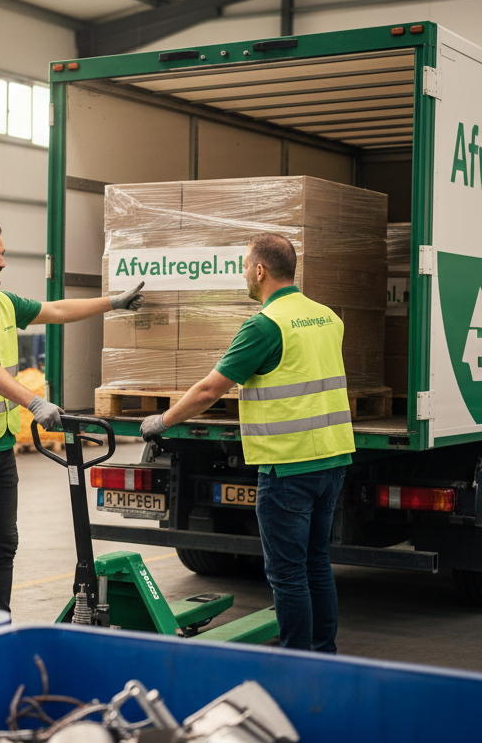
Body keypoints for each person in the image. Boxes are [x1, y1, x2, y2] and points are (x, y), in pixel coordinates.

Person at [141, 232, 354, 653]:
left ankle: (296, 662)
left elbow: (209, 390)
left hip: (288, 467)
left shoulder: (264, 325)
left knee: (288, 573)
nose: (243, 273)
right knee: (316, 566)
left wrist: (161, 421)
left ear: (259, 270)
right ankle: (324, 655)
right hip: (332, 459)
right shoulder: (328, 316)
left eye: (244, 265)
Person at [0, 220, 145, 612]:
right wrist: (35, 403)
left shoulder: (2, 303)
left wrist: (113, 302)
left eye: (2, 254)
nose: (1, 263)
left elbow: (56, 309)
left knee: (4, 544)